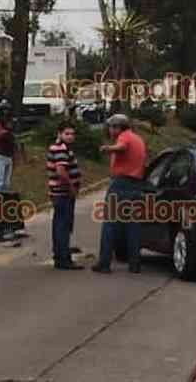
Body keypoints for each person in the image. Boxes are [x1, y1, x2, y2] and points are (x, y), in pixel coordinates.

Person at [92, 114, 147, 274]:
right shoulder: (138, 139)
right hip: (137, 184)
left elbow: (122, 147)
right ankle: (134, 263)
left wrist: (107, 149)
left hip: (121, 184)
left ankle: (104, 263)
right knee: (133, 225)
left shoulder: (124, 137)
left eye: (111, 127)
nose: (109, 131)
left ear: (117, 127)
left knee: (110, 223)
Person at [46, 121, 84, 270]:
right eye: (67, 134)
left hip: (60, 192)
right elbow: (61, 171)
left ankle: (60, 255)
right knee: (63, 226)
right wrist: (71, 187)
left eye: (72, 134)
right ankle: (63, 258)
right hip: (63, 193)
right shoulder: (61, 149)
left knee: (60, 225)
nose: (70, 136)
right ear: (59, 134)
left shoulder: (63, 148)